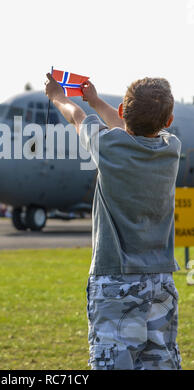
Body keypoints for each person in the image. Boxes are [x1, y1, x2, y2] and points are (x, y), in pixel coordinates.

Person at [45, 74, 182, 370]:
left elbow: (78, 118)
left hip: (116, 279)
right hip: (161, 280)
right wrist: (95, 100)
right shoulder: (171, 149)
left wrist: (58, 97)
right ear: (168, 120)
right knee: (160, 361)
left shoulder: (108, 147)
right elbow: (128, 130)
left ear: (122, 111)